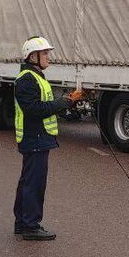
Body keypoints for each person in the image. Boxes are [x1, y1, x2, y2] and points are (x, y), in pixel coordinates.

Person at [12, 36, 84, 241]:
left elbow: (42, 105)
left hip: (37, 137)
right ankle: (31, 226)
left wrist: (67, 103)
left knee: (27, 181)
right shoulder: (27, 79)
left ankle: (22, 223)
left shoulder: (35, 76)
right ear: (32, 56)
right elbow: (35, 109)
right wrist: (65, 101)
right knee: (34, 183)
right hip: (34, 137)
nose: (48, 57)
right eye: (44, 53)